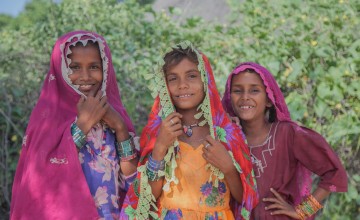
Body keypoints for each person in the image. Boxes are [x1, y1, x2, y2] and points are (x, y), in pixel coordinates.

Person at [121, 42, 258, 220]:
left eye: (191, 76)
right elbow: (148, 198)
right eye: (173, 78)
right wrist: (160, 146)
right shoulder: (160, 132)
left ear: (205, 80)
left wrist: (228, 168)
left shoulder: (226, 133)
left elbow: (244, 198)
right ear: (164, 85)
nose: (182, 85)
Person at [10, 30, 139, 219]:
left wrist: (120, 127)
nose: (85, 76)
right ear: (60, 70)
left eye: (94, 66)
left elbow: (133, 184)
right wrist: (82, 125)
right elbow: (38, 185)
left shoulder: (115, 117)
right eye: (75, 67)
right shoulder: (47, 120)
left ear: (106, 69)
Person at [221, 62, 348, 220]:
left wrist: (303, 211)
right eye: (237, 91)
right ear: (229, 97)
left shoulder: (289, 134)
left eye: (254, 90)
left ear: (268, 100)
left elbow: (334, 173)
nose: (245, 97)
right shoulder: (226, 139)